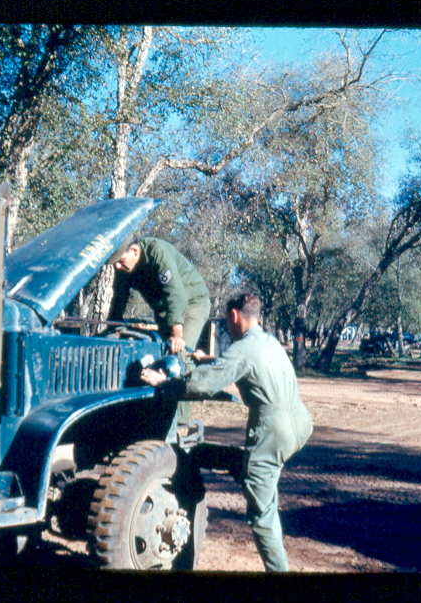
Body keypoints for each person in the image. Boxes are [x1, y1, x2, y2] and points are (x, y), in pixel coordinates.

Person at [140, 292, 313, 572]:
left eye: (225, 321)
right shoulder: (267, 341)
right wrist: (207, 359)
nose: (226, 326)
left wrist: (163, 384)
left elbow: (203, 386)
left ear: (234, 316)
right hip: (299, 424)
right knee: (247, 469)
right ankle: (239, 467)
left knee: (262, 513)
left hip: (273, 434)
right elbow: (239, 364)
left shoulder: (242, 349)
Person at [109, 237, 211, 422]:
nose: (117, 267)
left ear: (134, 251)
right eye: (115, 264)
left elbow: (176, 295)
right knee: (158, 356)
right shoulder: (124, 267)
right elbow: (120, 298)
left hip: (191, 304)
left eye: (120, 261)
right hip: (166, 311)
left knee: (178, 358)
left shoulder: (157, 252)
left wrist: (177, 335)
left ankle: (179, 423)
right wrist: (112, 327)